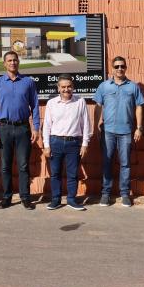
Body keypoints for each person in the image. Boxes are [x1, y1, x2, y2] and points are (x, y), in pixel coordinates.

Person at [0, 51, 40, 210]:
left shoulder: (28, 82)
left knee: (23, 165)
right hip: (4, 129)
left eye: (15, 60)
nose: (12, 63)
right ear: (4, 64)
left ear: (19, 62)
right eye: (9, 60)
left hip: (23, 128)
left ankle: (25, 197)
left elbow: (35, 106)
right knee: (5, 165)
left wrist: (36, 127)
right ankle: (7, 197)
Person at [93, 56, 144, 207]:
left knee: (125, 163)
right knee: (107, 162)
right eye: (116, 66)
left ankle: (124, 194)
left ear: (126, 67)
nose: (119, 69)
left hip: (126, 132)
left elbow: (139, 107)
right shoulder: (104, 86)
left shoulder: (133, 87)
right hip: (107, 131)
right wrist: (95, 125)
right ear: (112, 68)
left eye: (122, 66)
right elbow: (97, 107)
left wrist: (139, 128)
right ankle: (106, 194)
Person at [42, 74, 91, 211]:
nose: (66, 89)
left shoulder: (80, 102)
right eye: (63, 87)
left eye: (69, 86)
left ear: (73, 87)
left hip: (73, 143)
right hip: (55, 142)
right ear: (58, 88)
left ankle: (71, 199)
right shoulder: (51, 103)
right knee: (55, 173)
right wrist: (46, 146)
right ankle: (56, 200)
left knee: (72, 174)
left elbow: (86, 124)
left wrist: (85, 144)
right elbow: (46, 126)